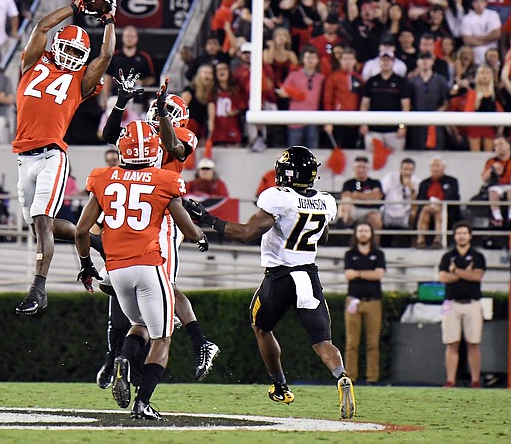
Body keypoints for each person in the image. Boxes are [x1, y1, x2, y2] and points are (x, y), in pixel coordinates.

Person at [184, 146, 356, 419]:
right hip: (308, 275)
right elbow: (321, 237)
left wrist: (207, 218)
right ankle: (341, 376)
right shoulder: (326, 201)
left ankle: (280, 385)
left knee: (261, 328)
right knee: (323, 341)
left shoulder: (279, 198)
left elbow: (246, 233)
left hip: (280, 276)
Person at [75, 120, 208, 420]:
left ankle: (121, 357)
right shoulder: (163, 179)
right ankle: (143, 402)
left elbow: (81, 231)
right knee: (162, 339)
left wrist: (86, 265)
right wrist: (201, 238)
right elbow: (187, 226)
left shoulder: (103, 177)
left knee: (140, 326)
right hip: (149, 266)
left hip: (117, 271)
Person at [100, 74, 221, 381]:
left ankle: (200, 342)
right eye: (155, 111)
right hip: (136, 215)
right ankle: (119, 358)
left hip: (165, 214)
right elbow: (109, 135)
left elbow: (175, 146)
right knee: (137, 294)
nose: (155, 115)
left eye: (163, 112)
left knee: (163, 285)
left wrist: (165, 114)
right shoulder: (142, 136)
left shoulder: (178, 134)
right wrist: (122, 102)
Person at [12, 0, 116, 316]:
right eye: (67, 47)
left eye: (76, 51)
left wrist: (110, 21)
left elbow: (106, 56)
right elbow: (42, 26)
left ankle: (38, 289)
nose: (71, 55)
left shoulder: (81, 82)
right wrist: (74, 7)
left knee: (42, 221)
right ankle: (97, 242)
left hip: (51, 156)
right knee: (44, 225)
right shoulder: (32, 62)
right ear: (56, 46)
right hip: (23, 158)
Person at [438, 222, 486, 388]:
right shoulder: (447, 256)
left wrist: (456, 271)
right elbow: (443, 277)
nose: (462, 236)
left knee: (473, 343)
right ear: (455, 236)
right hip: (452, 303)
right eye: (459, 233)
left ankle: (475, 380)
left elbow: (477, 276)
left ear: (470, 235)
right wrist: (467, 273)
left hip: (472, 303)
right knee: (452, 343)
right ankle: (450, 380)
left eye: (465, 233)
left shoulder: (478, 256)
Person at [344, 222, 385, 385]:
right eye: (360, 230)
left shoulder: (378, 254)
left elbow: (379, 274)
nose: (363, 233)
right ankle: (350, 377)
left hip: (373, 302)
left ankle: (372, 378)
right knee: (351, 343)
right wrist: (369, 274)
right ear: (355, 234)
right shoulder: (350, 254)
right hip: (353, 301)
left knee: (373, 343)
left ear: (371, 234)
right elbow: (348, 274)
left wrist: (358, 273)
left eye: (366, 230)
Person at [416, 157, 462, 249]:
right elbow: (420, 199)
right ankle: (420, 240)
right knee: (425, 210)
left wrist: (439, 204)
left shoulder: (452, 181)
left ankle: (438, 240)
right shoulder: (424, 183)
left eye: (437, 165)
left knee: (437, 210)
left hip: (445, 208)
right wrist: (429, 205)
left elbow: (453, 197)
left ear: (444, 168)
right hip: (428, 208)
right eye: (433, 166)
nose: (435, 168)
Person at [482, 135, 511, 228]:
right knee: (493, 192)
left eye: (501, 144)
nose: (498, 147)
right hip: (499, 186)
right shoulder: (492, 161)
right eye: (495, 145)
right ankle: (497, 218)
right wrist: (492, 169)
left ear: (508, 145)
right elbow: (484, 178)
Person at [338, 156, 383, 233]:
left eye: (363, 167)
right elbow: (346, 196)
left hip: (370, 210)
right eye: (358, 167)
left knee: (376, 218)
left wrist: (357, 195)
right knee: (345, 202)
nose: (361, 170)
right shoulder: (348, 183)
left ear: (367, 168)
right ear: (354, 168)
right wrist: (368, 197)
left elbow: (377, 196)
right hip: (354, 210)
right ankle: (343, 228)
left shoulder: (375, 182)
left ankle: (375, 244)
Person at [380, 157, 419, 230]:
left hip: (406, 214)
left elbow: (415, 204)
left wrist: (412, 189)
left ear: (413, 171)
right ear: (400, 169)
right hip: (389, 211)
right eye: (405, 169)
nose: (407, 172)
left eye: (410, 170)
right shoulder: (390, 178)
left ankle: (414, 240)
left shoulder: (416, 181)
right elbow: (381, 193)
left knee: (416, 214)